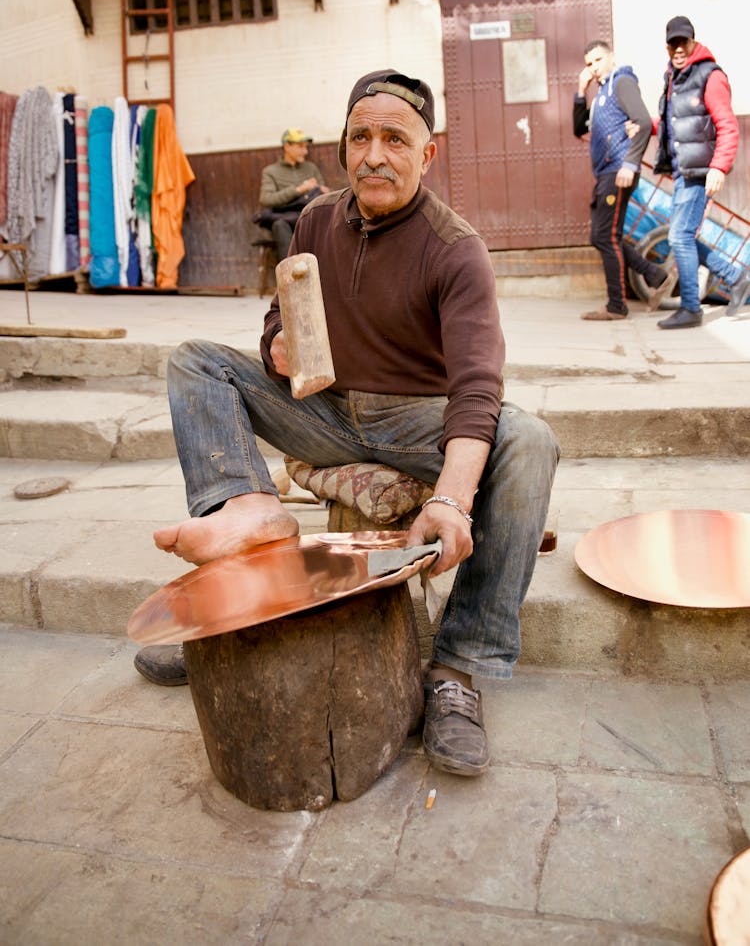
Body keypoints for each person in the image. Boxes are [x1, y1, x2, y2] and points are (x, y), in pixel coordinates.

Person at [134, 69, 560, 779]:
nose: (373, 155)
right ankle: (245, 527)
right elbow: (281, 318)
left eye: (396, 139)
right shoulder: (315, 220)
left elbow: (477, 386)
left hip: (416, 422)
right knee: (196, 362)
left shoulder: (456, 249)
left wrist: (452, 499)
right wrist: (277, 347)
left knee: (530, 440)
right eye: (360, 137)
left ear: (427, 156)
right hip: (326, 412)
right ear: (343, 147)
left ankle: (460, 665)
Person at [649, 15, 749, 328]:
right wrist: (644, 127)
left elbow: (728, 126)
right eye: (673, 43)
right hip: (683, 171)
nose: (679, 48)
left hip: (701, 172)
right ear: (667, 46)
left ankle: (692, 307)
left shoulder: (710, 75)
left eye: (684, 42)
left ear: (694, 42)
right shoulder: (673, 77)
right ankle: (738, 277)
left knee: (679, 237)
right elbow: (676, 125)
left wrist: (719, 167)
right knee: (684, 238)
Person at [573, 40, 667, 320]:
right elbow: (579, 128)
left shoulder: (622, 82)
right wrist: (581, 91)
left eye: (598, 60)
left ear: (611, 57)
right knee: (601, 236)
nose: (594, 68)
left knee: (605, 236)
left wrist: (630, 163)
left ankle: (617, 305)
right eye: (589, 63)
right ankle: (655, 274)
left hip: (618, 171)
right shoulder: (602, 93)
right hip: (606, 174)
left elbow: (643, 122)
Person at [256, 127, 329, 261]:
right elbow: (266, 199)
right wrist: (299, 189)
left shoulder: (311, 168)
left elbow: (323, 193)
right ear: (287, 146)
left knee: (325, 220)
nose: (305, 151)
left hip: (308, 214)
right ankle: (291, 274)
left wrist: (323, 190)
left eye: (306, 147)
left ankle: (324, 270)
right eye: (300, 146)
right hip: (285, 217)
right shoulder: (270, 171)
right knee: (279, 225)